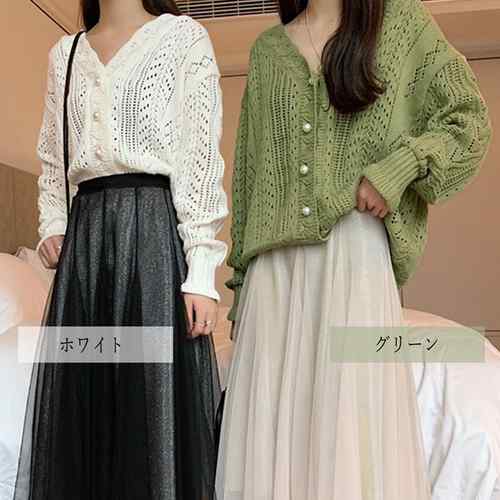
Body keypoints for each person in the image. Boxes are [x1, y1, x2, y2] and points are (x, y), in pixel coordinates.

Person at [216, 0, 492, 498]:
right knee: (275, 438)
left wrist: (398, 170)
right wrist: (240, 291)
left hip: (354, 256)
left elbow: (467, 120)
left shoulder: (400, 23)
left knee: (349, 429)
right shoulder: (267, 51)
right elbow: (251, 179)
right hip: (271, 277)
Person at [14, 0, 228, 498]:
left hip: (151, 233)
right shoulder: (65, 53)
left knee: (148, 399)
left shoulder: (182, 39)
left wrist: (201, 271)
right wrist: (53, 223)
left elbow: (200, 159)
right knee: (85, 405)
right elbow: (52, 157)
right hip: (86, 242)